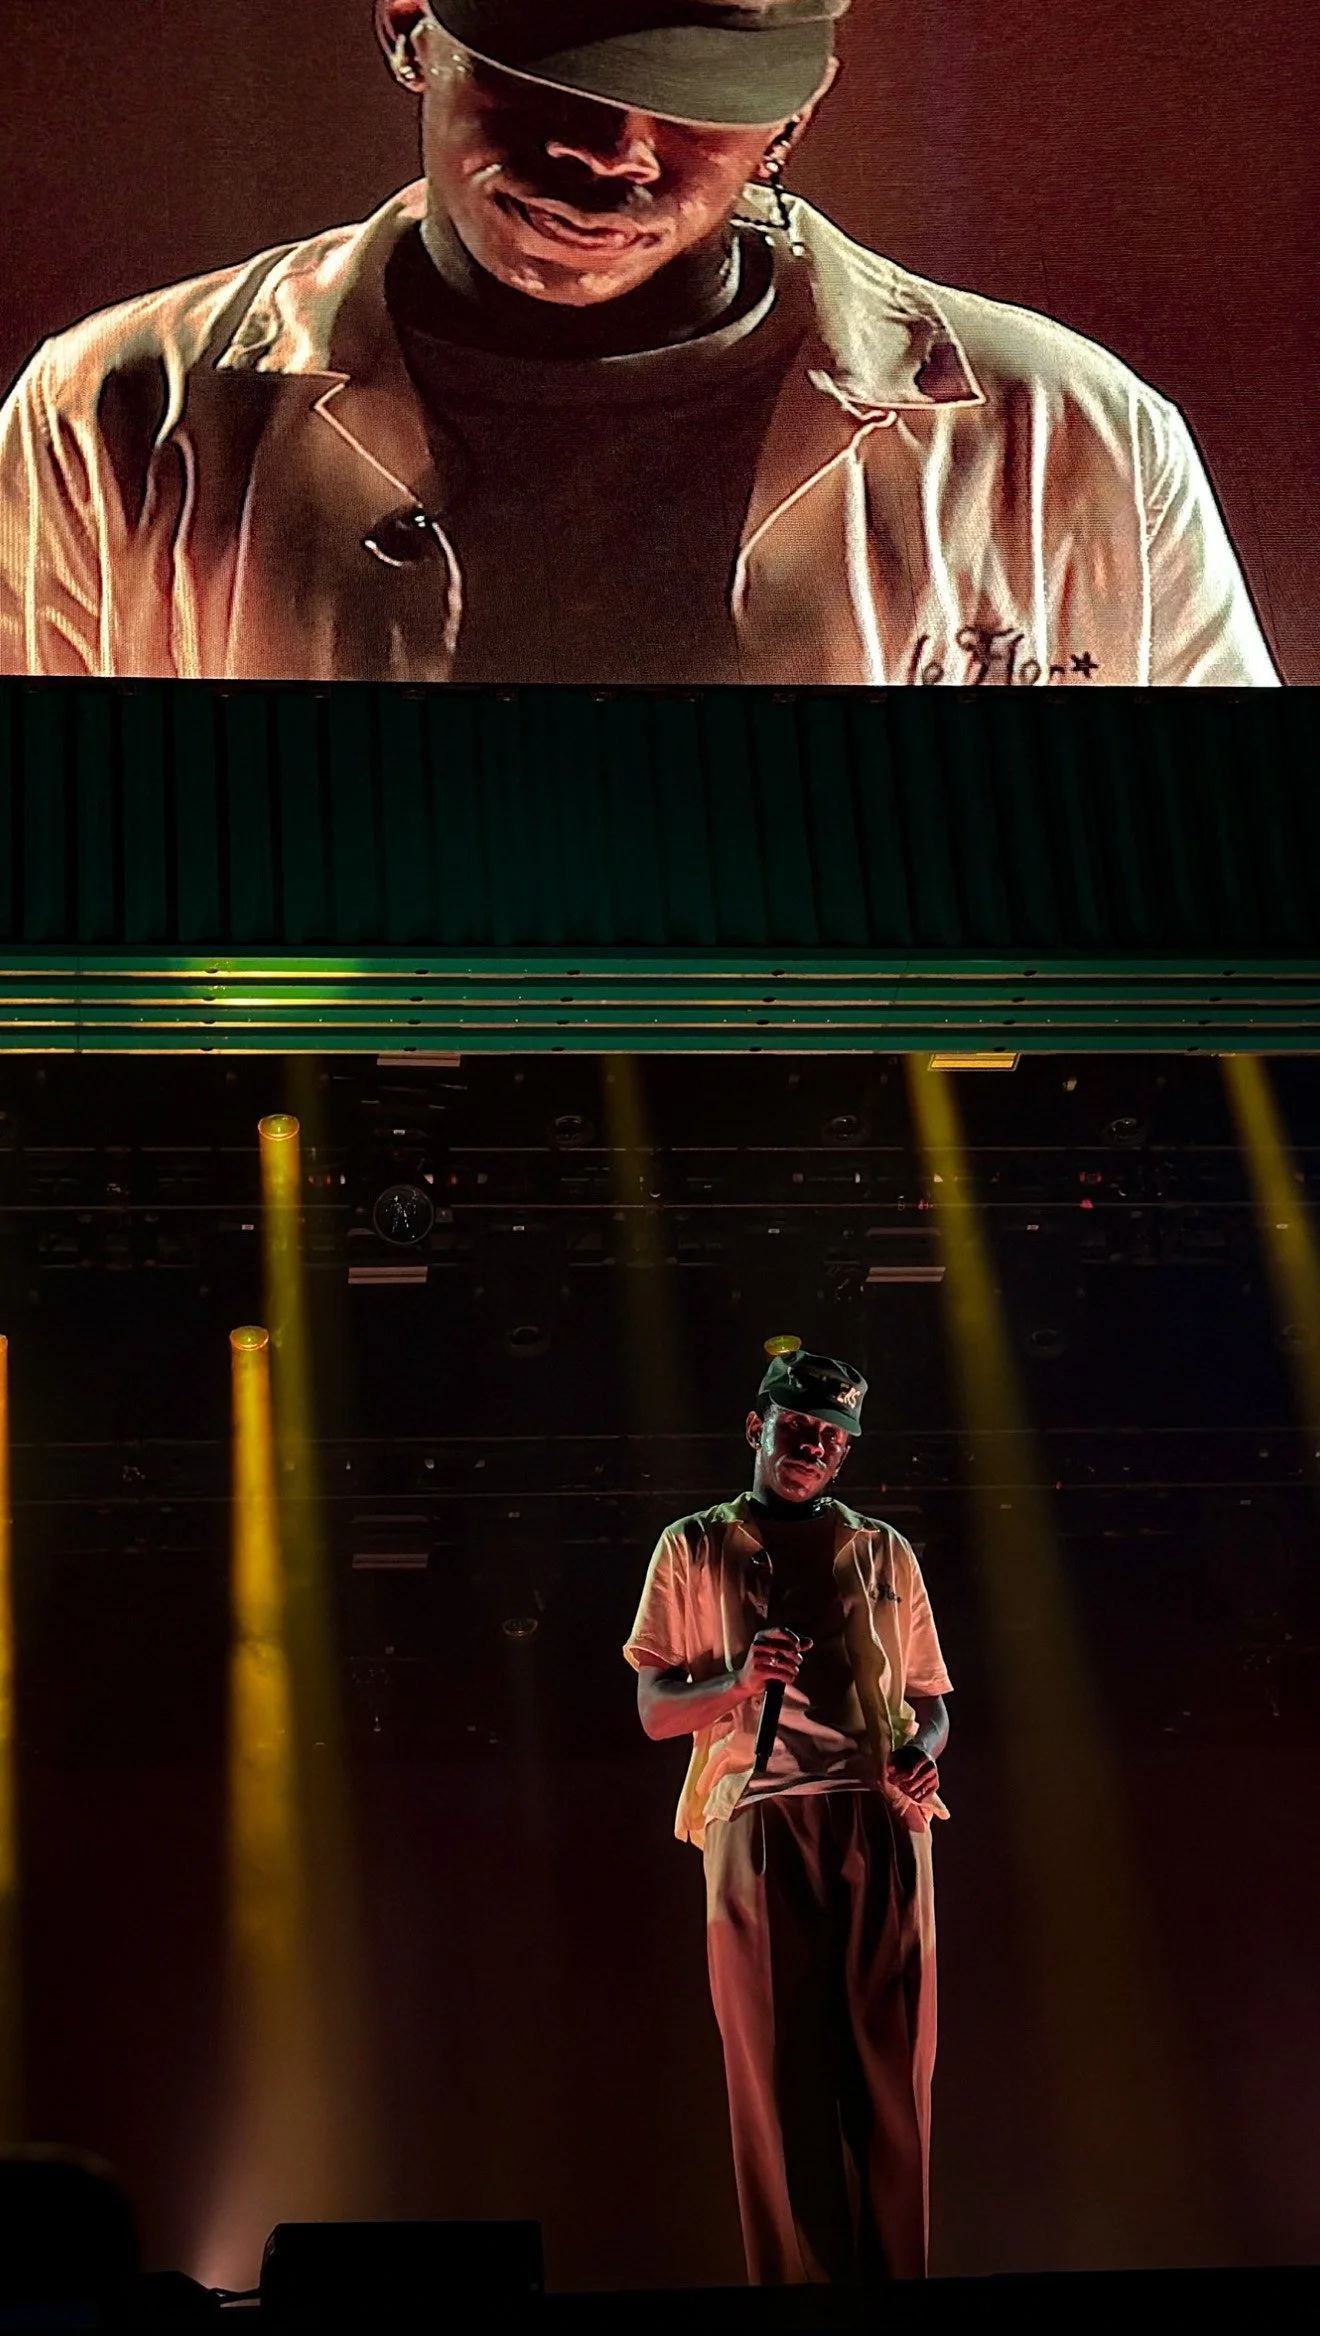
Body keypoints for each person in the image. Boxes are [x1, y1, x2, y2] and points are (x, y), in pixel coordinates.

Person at [0, 0, 1279, 685]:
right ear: (411, 24)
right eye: (554, 69)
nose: (612, 155)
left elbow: (1226, 911)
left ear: (797, 108)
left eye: (697, 103)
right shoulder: (113, 410)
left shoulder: (1068, 438)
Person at [624, 1343, 952, 2287]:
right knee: (773, 2082)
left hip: (879, 1818)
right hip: (756, 1821)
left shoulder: (883, 1548)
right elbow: (654, 1712)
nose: (813, 1446)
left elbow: (933, 1701)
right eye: (798, 1427)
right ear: (757, 1426)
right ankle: (796, 2301)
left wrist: (923, 1756)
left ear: (846, 1453)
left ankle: (899, 2290)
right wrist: (737, 1680)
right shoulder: (692, 1545)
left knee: (893, 2080)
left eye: (832, 1437)